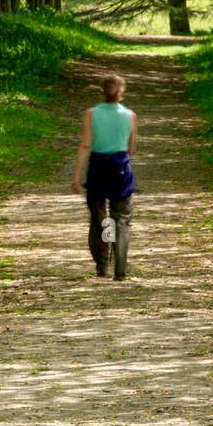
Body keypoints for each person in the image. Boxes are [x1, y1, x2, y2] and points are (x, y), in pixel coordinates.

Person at [71, 73, 138, 280]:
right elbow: (131, 148)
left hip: (98, 167)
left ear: (102, 91)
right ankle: (120, 268)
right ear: (121, 93)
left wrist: (76, 175)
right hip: (120, 168)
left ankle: (102, 265)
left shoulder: (91, 114)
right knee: (121, 219)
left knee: (100, 219)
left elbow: (85, 145)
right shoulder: (130, 115)